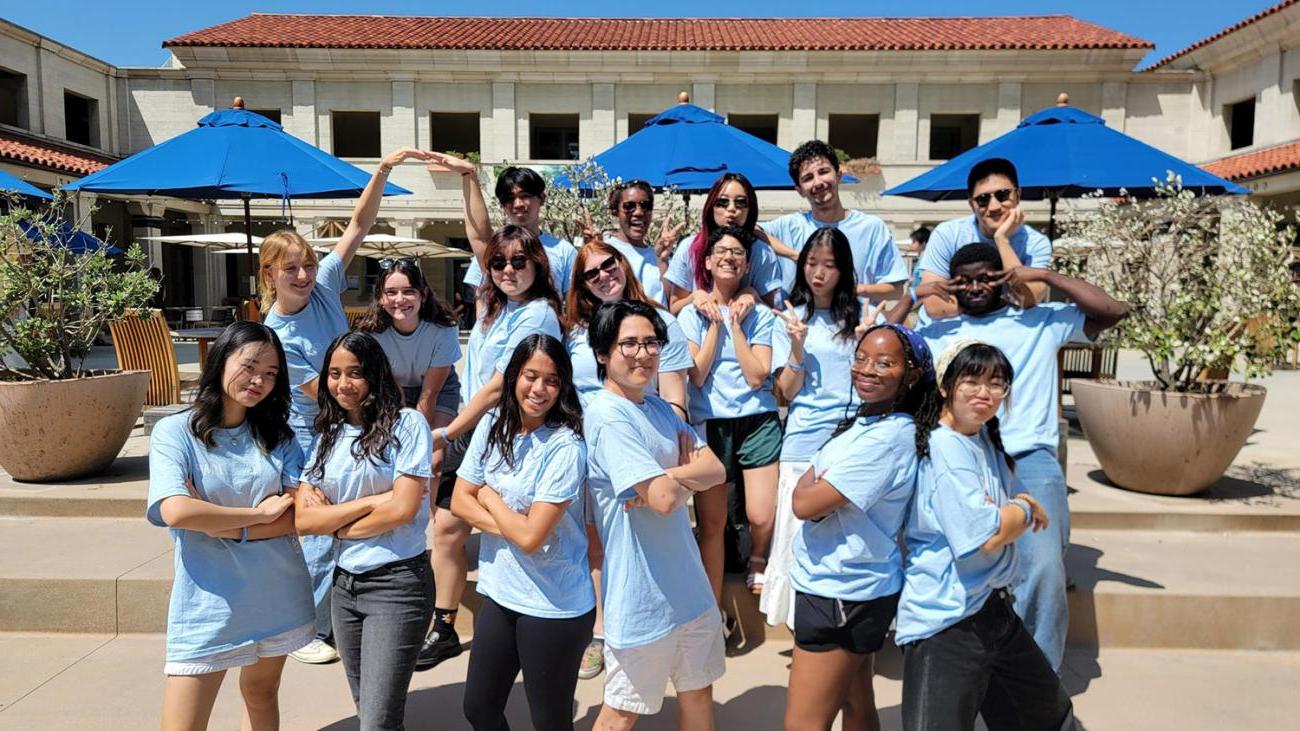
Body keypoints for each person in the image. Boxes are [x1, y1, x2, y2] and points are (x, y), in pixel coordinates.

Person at [917, 244, 1129, 671]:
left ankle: (1037, 678)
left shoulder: (1040, 322)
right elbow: (882, 346)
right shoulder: (938, 331)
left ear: (1001, 277)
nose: (975, 286)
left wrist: (1046, 278)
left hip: (1026, 457)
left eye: (985, 277)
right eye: (964, 279)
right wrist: (917, 292)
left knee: (1044, 568)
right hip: (962, 455)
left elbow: (1112, 311)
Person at [260, 146, 430, 664]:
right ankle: (307, 628)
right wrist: (378, 400)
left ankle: (341, 612)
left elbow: (359, 222)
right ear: (269, 274)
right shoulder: (276, 332)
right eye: (291, 269)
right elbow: (325, 392)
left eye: (308, 265)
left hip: (357, 414)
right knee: (317, 529)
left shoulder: (328, 286)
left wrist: (379, 170)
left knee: (359, 512)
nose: (304, 275)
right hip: (316, 428)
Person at [896, 341, 1076, 731]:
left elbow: (997, 515)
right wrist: (1025, 508)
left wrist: (1016, 506)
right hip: (947, 624)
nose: (985, 392)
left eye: (996, 384)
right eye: (972, 380)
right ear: (945, 386)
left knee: (1049, 717)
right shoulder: (946, 448)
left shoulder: (981, 438)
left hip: (993, 612)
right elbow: (988, 536)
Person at [147, 321, 313, 731]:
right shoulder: (176, 432)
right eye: (250, 365)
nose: (259, 380)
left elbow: (298, 517)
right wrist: (257, 516)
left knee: (261, 694)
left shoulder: (278, 437)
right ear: (220, 360)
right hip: (208, 601)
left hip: (276, 591)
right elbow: (177, 513)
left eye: (271, 373)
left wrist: (217, 523)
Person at [416, 224, 565, 670]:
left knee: (511, 529)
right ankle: (444, 625)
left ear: (537, 264)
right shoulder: (492, 309)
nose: (508, 269)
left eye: (519, 261)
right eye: (499, 262)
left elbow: (498, 389)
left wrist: (445, 434)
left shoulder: (537, 314)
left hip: (505, 433)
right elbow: (480, 232)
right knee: (447, 528)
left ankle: (525, 625)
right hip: (474, 430)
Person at [583, 299, 727, 730]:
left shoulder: (660, 408)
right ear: (603, 353)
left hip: (690, 590)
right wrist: (678, 482)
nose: (643, 352)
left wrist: (662, 478)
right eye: (629, 343)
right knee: (621, 712)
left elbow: (716, 470)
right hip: (640, 598)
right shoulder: (608, 416)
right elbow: (666, 500)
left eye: (650, 342)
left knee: (699, 694)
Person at [783, 323, 934, 731]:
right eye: (861, 358)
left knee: (803, 723)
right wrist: (814, 483)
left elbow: (804, 500)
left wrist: (812, 483)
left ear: (912, 374)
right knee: (858, 702)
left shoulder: (888, 439)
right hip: (853, 585)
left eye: (885, 363)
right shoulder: (866, 422)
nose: (867, 369)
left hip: (841, 589)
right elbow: (812, 487)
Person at [564, 237, 696, 677]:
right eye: (592, 272)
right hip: (589, 445)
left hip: (646, 442)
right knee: (595, 541)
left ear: (625, 264)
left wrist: (669, 462)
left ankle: (656, 625)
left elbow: (675, 395)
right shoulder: (575, 331)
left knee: (644, 536)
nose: (604, 275)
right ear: (582, 284)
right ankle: (601, 631)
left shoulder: (660, 322)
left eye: (610, 264)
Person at [452, 334, 593, 731]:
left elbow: (532, 539)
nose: (540, 389)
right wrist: (513, 523)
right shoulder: (493, 423)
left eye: (551, 380)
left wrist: (490, 497)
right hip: (502, 591)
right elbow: (461, 500)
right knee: (479, 708)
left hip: (554, 604)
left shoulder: (565, 447)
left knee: (549, 722)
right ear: (515, 376)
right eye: (531, 376)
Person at [294, 332, 434, 731]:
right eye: (334, 374)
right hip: (345, 588)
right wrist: (373, 503)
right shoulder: (327, 436)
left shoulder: (407, 425)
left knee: (376, 721)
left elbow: (404, 509)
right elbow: (304, 521)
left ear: (375, 374)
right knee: (372, 713)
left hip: (397, 584)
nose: (343, 384)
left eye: (355, 372)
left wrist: (336, 525)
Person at [762, 227, 897, 628]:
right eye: (811, 263)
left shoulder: (866, 315)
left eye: (830, 265)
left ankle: (857, 617)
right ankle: (804, 621)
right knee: (796, 535)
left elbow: (888, 379)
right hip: (805, 441)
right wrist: (798, 348)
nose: (818, 273)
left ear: (844, 270)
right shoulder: (789, 317)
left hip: (858, 441)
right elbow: (785, 392)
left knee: (855, 535)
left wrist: (868, 341)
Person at [679, 226, 781, 611]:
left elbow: (758, 376)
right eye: (720, 250)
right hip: (710, 422)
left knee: (759, 513)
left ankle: (757, 554)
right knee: (712, 525)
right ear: (706, 261)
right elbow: (697, 374)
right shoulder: (691, 315)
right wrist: (716, 327)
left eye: (737, 252)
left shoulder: (762, 316)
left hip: (757, 419)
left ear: (747, 264)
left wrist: (736, 327)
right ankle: (712, 606)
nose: (728, 257)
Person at [762, 140, 908, 302]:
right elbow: (749, 228)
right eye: (808, 178)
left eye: (823, 172)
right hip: (799, 325)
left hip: (857, 324)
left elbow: (896, 289)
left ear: (838, 176)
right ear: (800, 190)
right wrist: (796, 255)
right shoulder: (789, 226)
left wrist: (849, 289)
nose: (818, 182)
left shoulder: (872, 228)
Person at [916, 158, 1052, 320]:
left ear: (1018, 195)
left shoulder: (1036, 243)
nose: (994, 206)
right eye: (983, 199)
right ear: (972, 204)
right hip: (950, 330)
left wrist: (1002, 240)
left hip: (1006, 332)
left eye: (1002, 195)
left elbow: (1029, 299)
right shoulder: (947, 234)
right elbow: (935, 305)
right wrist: (997, 308)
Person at [431, 156, 579, 300]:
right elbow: (482, 300)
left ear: (541, 198)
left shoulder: (563, 251)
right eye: (509, 198)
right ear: (502, 205)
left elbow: (574, 304)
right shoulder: (496, 247)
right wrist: (468, 174)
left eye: (525, 195)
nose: (518, 204)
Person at [663, 172, 787, 313]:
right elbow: (674, 309)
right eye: (722, 202)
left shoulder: (762, 252)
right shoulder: (689, 247)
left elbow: (774, 313)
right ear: (711, 207)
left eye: (740, 202)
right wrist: (696, 296)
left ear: (750, 209)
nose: (731, 209)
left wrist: (752, 294)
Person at [603, 180, 685, 307]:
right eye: (629, 206)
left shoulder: (657, 255)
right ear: (615, 211)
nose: (638, 212)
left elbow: (666, 303)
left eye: (645, 206)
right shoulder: (606, 252)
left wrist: (662, 260)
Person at [908, 226, 931, 292]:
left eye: (914, 242)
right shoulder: (922, 258)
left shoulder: (925, 259)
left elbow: (923, 281)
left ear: (923, 243)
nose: (911, 244)